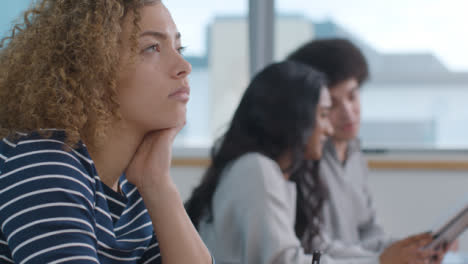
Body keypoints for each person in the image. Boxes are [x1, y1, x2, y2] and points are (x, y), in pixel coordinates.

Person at [0, 1, 213, 263]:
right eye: (152, 48)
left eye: (179, 48)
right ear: (93, 68)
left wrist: (158, 183)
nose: (184, 66)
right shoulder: (45, 162)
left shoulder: (133, 185)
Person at [288, 38, 447, 264]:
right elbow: (315, 247)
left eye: (352, 96)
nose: (348, 113)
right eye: (332, 105)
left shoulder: (354, 153)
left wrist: (409, 248)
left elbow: (369, 229)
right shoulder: (305, 159)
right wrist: (381, 259)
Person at [186, 60, 338, 263]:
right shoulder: (255, 168)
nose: (330, 129)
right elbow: (283, 261)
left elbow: (319, 246)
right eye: (323, 115)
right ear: (293, 116)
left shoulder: (270, 170)